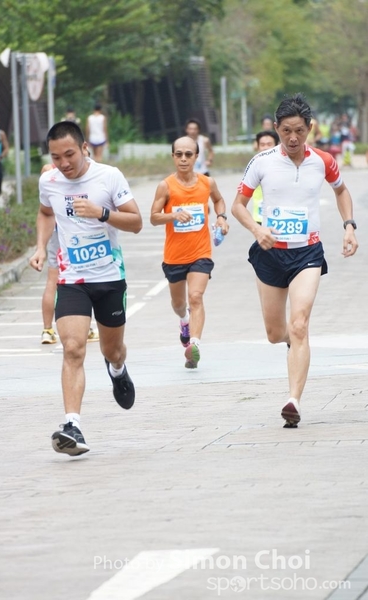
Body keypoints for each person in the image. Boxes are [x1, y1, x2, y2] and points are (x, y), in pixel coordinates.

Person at [232, 93, 358, 428]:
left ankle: (293, 400)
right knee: (276, 333)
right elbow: (238, 206)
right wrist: (257, 229)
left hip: (307, 253)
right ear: (276, 128)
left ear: (309, 129)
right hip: (270, 253)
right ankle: (292, 343)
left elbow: (341, 191)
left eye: (299, 131)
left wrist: (349, 226)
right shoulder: (262, 162)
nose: (292, 138)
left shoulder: (323, 160)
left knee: (300, 323)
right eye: (286, 130)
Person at [30, 121, 142, 456]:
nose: (63, 163)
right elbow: (45, 213)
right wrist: (40, 247)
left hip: (109, 278)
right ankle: (72, 425)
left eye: (69, 154)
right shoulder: (49, 181)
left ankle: (117, 369)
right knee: (73, 348)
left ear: (84, 148)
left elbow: (136, 222)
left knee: (112, 349)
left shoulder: (109, 177)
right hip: (72, 279)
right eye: (55, 157)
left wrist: (101, 213)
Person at [150, 135, 229, 369]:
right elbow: (153, 217)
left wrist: (221, 217)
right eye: (179, 155)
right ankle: (184, 321)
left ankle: (193, 346)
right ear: (173, 157)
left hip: (200, 253)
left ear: (196, 157)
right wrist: (173, 215)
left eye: (188, 154)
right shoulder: (165, 186)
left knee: (196, 297)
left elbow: (219, 200)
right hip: (174, 256)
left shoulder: (207, 182)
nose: (183, 159)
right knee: (178, 303)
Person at [40, 163, 99, 345]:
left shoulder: (48, 172)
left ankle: (48, 330)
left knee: (55, 280)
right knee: (80, 281)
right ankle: (81, 328)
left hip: (64, 235)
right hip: (68, 235)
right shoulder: (56, 171)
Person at [251, 130, 279, 224]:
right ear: (258, 147)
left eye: (269, 144)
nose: (266, 148)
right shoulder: (253, 166)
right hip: (260, 216)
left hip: (280, 216)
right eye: (262, 145)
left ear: (277, 145)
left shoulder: (285, 165)